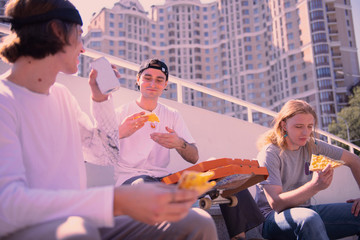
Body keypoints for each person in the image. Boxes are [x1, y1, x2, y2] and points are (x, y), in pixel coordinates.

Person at [0, 1, 217, 239]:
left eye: (159, 80)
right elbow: (7, 207)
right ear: (57, 32)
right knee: (77, 234)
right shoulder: (5, 101)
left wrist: (100, 99)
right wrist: (116, 200)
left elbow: (104, 155)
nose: (83, 48)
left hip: (82, 217)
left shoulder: (62, 97)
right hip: (35, 228)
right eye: (80, 36)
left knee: (198, 222)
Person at [90, 58, 264, 240]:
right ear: (138, 80)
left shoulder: (171, 115)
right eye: (147, 77)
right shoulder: (121, 112)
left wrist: (179, 143)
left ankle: (240, 237)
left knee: (228, 177)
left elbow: (193, 156)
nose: (152, 83)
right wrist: (121, 132)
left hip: (167, 181)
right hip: (132, 181)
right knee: (145, 187)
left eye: (159, 80)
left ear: (165, 84)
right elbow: (99, 152)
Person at [255, 99, 360, 240]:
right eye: (299, 126)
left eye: (310, 126)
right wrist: (314, 187)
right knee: (309, 219)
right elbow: (276, 203)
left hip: (306, 212)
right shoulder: (270, 154)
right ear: (284, 125)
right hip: (271, 219)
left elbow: (354, 160)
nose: (306, 132)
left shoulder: (311, 144)